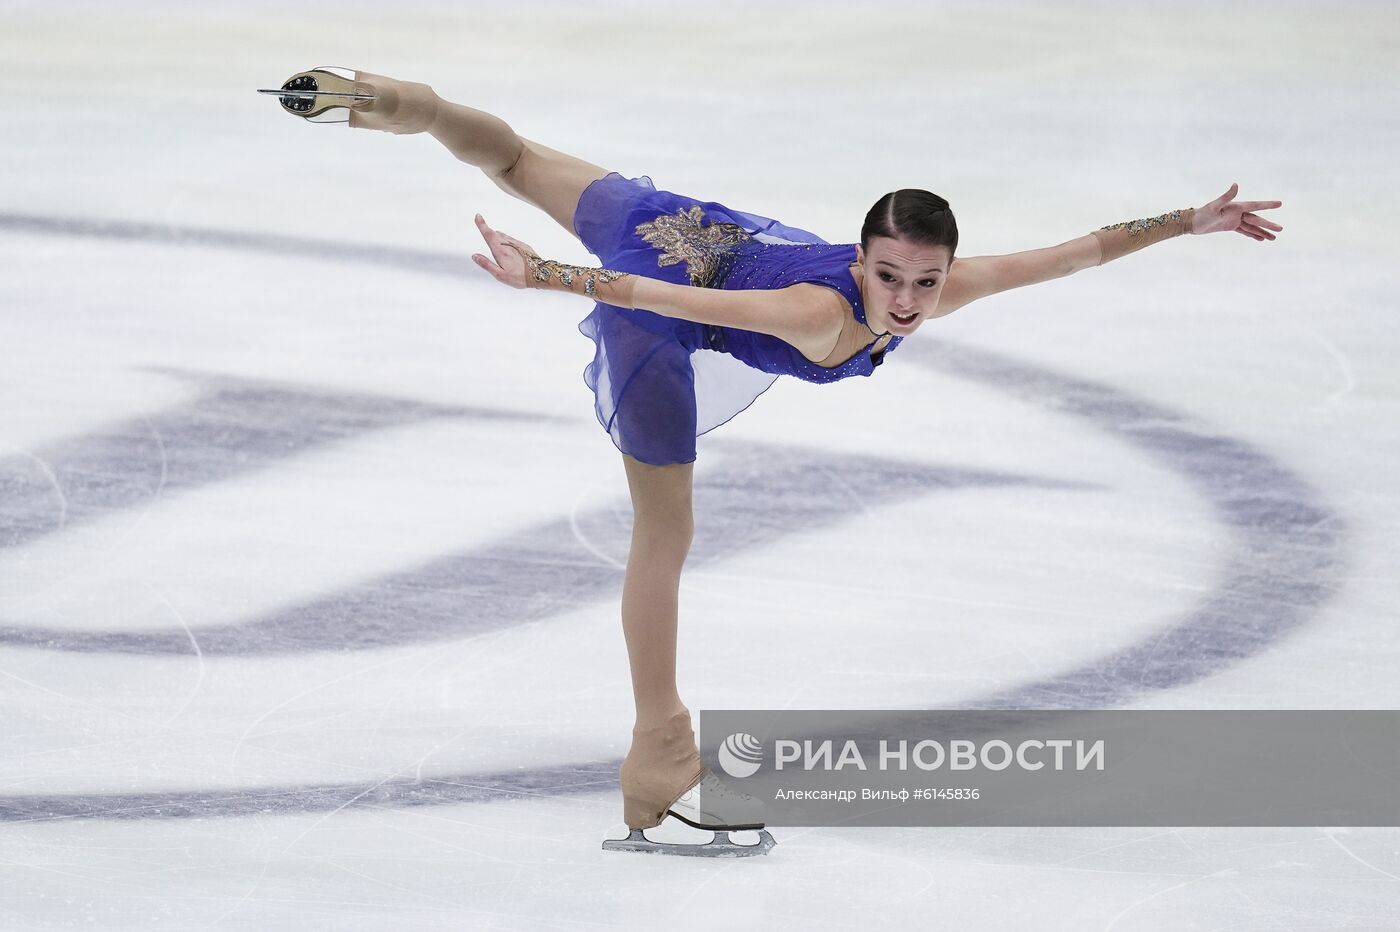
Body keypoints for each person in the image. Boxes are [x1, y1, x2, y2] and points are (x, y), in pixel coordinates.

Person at [263, 67, 1284, 857]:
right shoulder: (815, 310)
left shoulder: (945, 286)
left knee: (516, 158)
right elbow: (669, 300)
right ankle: (658, 753)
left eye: (924, 282)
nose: (905, 301)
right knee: (665, 531)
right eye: (888, 276)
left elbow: (1071, 253)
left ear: (942, 271)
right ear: (859, 258)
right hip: (660, 305)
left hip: (693, 236)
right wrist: (551, 278)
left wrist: (1184, 222)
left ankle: (406, 105)